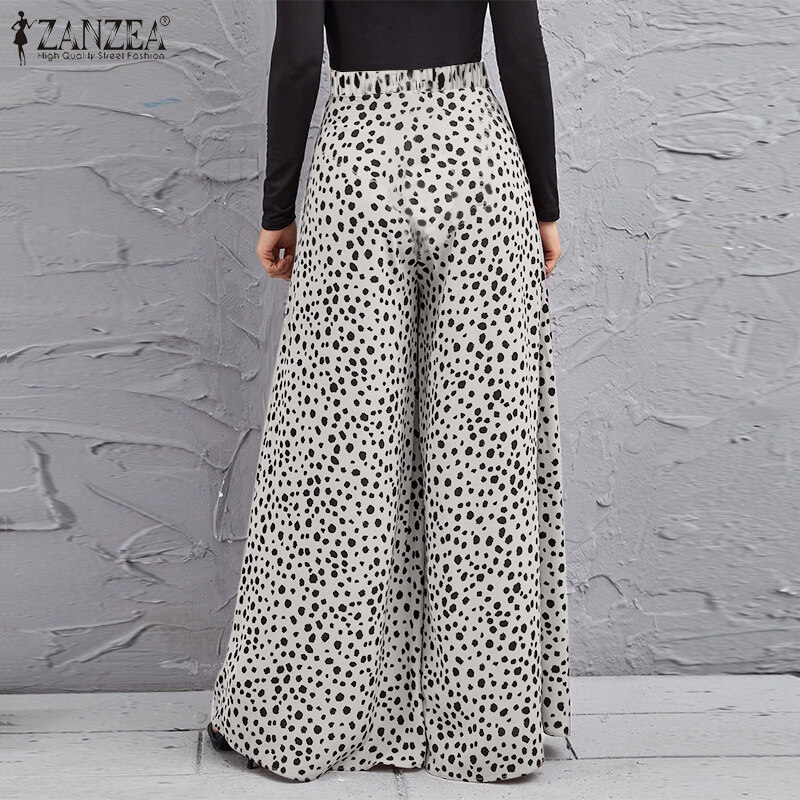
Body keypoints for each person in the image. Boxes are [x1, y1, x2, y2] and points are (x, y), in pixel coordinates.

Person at [208, 0, 571, 783]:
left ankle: (305, 719)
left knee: (342, 455)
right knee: (481, 456)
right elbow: (522, 53)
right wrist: (544, 205)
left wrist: (277, 210)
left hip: (359, 170)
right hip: (476, 164)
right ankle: (488, 730)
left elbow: (298, 59)